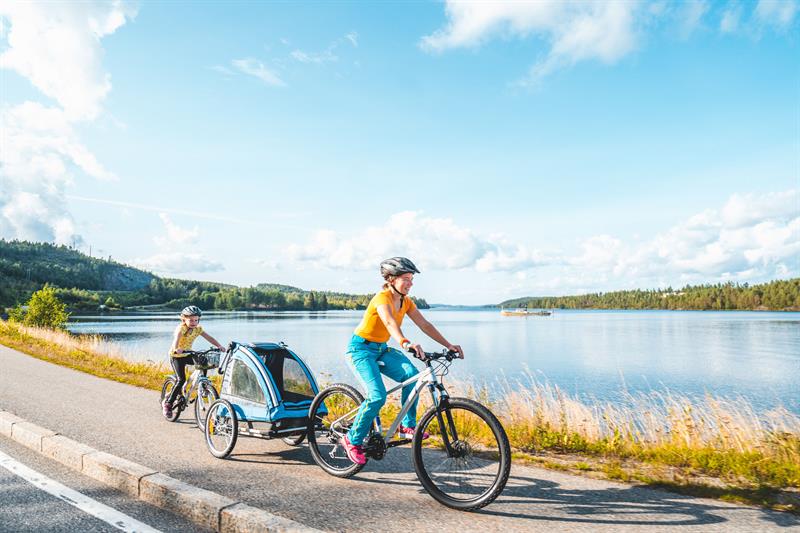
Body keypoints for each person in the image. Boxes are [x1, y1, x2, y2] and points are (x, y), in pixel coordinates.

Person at [340, 257, 464, 465]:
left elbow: (424, 324)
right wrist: (406, 343)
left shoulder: (406, 301)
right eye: (406, 278)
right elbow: (389, 322)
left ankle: (406, 426)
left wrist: (449, 344)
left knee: (413, 376)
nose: (410, 283)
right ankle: (352, 440)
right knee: (377, 396)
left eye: (411, 278)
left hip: (381, 349)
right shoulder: (382, 299)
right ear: (391, 279)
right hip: (360, 350)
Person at [162, 305, 226, 418]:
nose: (193, 322)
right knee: (181, 379)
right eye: (191, 320)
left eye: (196, 320)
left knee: (204, 361)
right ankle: (168, 404)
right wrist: (176, 348)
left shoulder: (198, 329)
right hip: (176, 356)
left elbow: (209, 338)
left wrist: (219, 346)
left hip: (188, 354)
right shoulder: (181, 328)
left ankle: (203, 383)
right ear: (184, 319)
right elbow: (176, 339)